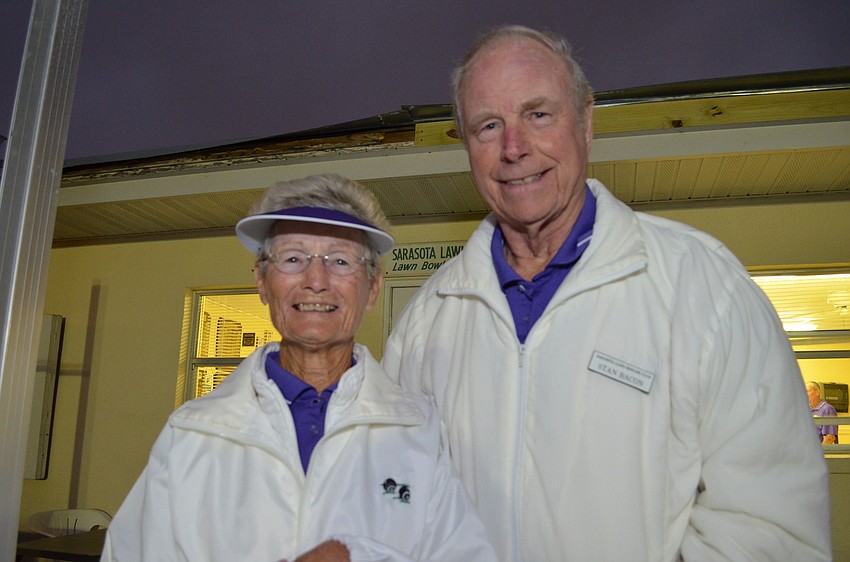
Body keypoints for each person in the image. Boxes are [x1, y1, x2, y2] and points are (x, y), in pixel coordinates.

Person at [382, 25, 832, 561]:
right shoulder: (426, 321)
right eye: (488, 125)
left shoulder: (703, 288)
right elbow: (395, 500)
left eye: (538, 114)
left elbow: (772, 530)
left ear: (587, 122)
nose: (514, 147)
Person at [102, 174, 495, 562]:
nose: (316, 281)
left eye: (340, 260)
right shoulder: (194, 433)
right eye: (293, 258)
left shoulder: (417, 430)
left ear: (373, 287)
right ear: (261, 280)